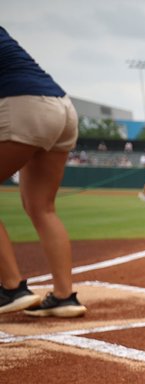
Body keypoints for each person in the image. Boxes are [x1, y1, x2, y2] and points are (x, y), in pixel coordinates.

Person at [0, 25, 87, 318]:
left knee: (40, 206)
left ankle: (11, 288)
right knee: (41, 207)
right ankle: (64, 296)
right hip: (61, 107)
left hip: (22, 105)